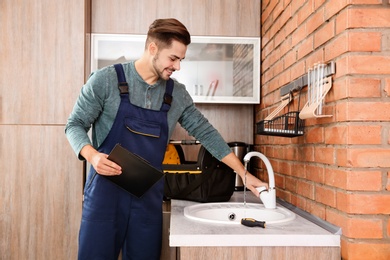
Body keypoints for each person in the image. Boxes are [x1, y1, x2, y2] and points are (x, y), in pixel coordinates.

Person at [65, 18, 268, 260]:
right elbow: (74, 125)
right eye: (173, 58)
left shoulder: (176, 95)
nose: (178, 66)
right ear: (153, 48)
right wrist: (92, 155)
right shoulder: (105, 80)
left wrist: (244, 174)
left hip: (147, 200)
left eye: (181, 59)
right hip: (105, 195)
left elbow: (207, 134)